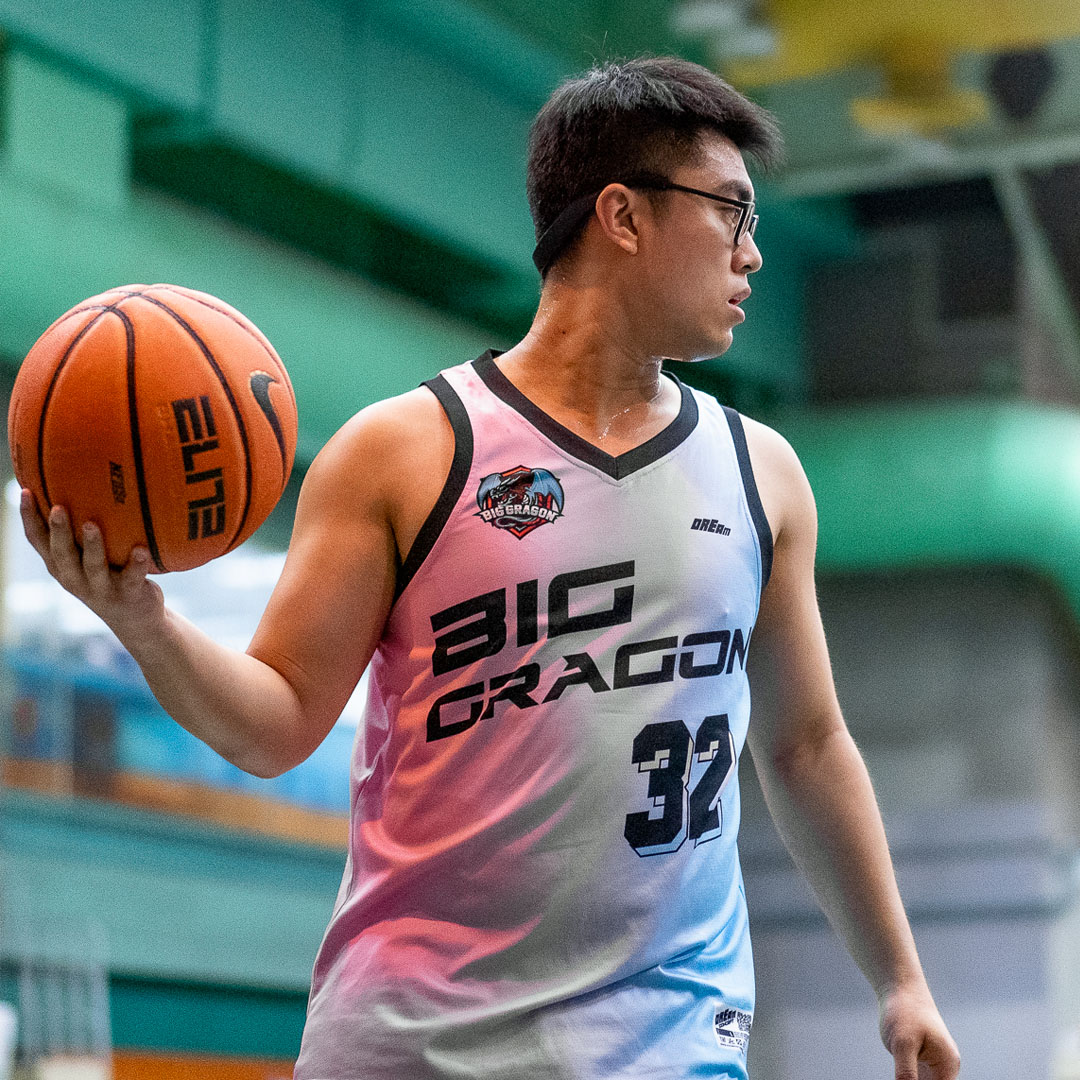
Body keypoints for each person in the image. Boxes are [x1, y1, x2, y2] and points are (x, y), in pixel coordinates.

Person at [20, 56, 960, 1080]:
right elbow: (277, 721)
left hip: (667, 1036)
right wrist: (144, 619)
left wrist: (900, 978)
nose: (753, 253)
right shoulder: (404, 452)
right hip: (410, 1041)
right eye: (730, 211)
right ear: (623, 214)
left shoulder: (760, 473)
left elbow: (808, 747)